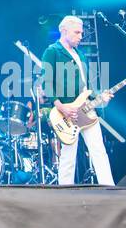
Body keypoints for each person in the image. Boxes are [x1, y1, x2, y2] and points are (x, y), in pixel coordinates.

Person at [40, 15, 114, 185]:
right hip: (67, 112)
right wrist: (60, 107)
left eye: (82, 32)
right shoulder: (52, 51)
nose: (81, 36)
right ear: (64, 31)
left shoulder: (80, 54)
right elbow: (47, 81)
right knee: (68, 155)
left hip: (86, 108)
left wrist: (100, 97)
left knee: (98, 150)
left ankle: (109, 188)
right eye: (77, 32)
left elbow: (86, 85)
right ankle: (65, 191)